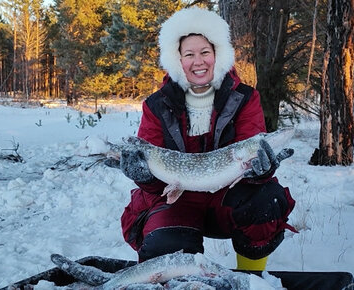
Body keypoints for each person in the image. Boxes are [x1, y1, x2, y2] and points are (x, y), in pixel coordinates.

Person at [118, 7, 296, 271]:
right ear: (177, 59)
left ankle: (251, 277)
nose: (198, 61)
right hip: (175, 200)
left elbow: (251, 151)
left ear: (218, 54)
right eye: (189, 54)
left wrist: (261, 170)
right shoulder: (156, 105)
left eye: (205, 52)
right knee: (164, 243)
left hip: (226, 199)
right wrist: (142, 174)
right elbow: (151, 171)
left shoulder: (245, 97)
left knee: (265, 200)